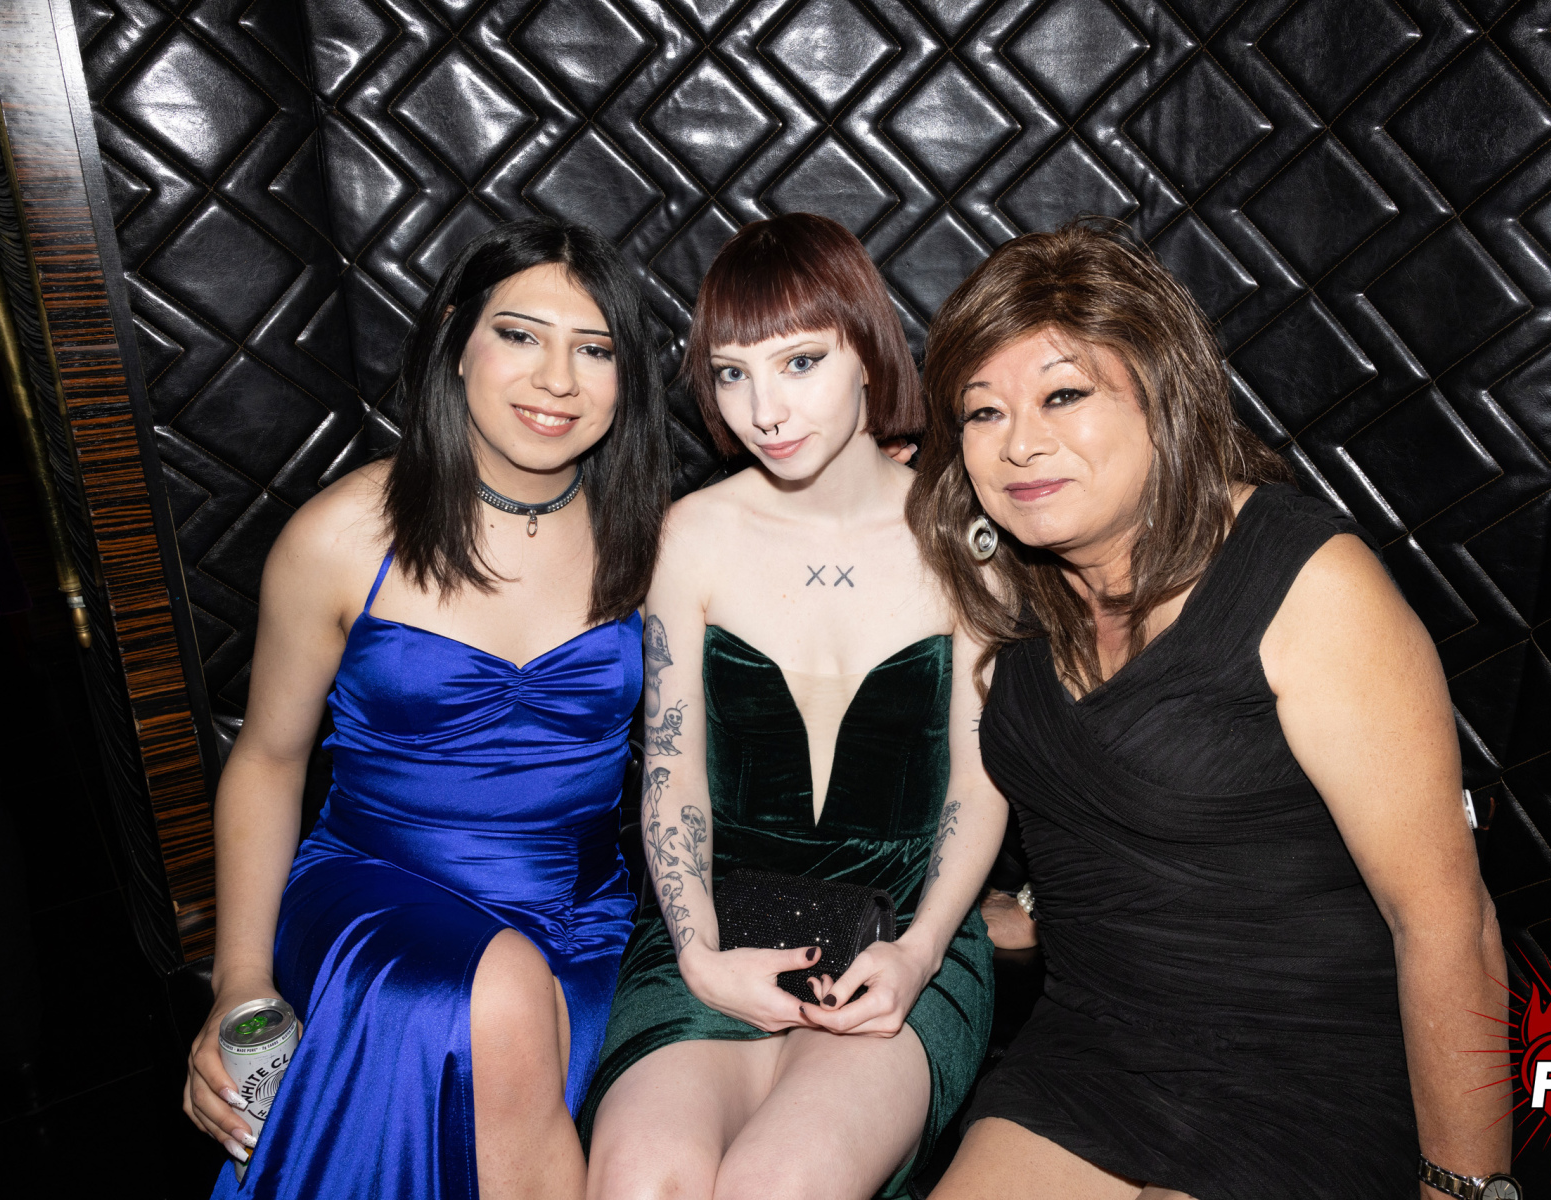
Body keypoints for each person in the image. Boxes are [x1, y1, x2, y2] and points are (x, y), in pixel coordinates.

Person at [910, 221, 1514, 1200]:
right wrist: (1008, 910)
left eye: (1064, 394)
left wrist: (1467, 1188)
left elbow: (1450, 923)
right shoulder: (1002, 583)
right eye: (983, 412)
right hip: (1097, 1047)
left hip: (1313, 1066)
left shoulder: (1309, 587)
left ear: (1165, 398)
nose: (1020, 442)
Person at [182, 217, 668, 1199]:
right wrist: (238, 980)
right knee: (495, 993)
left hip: (580, 916)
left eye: (595, 350)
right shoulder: (341, 536)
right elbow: (269, 759)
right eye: (520, 335)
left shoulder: (657, 540)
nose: (557, 380)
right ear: (455, 340)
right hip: (374, 887)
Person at [579, 212, 1001, 1200]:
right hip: (713, 924)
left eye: (799, 362)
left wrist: (918, 953)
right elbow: (672, 774)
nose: (763, 410)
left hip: (907, 927)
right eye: (731, 374)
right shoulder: (690, 536)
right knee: (640, 1182)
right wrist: (699, 956)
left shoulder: (966, 540)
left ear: (868, 353)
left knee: (778, 1184)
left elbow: (980, 787)